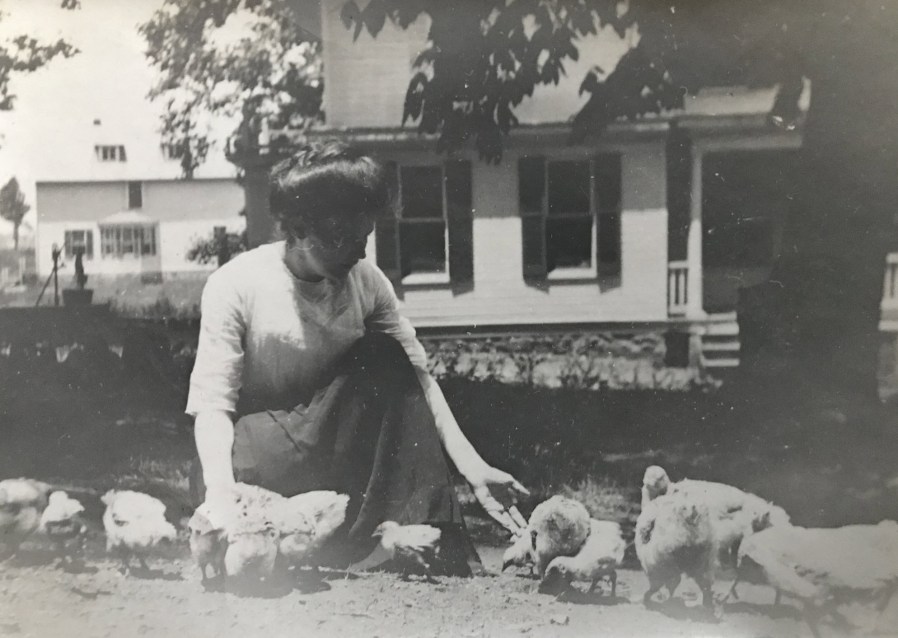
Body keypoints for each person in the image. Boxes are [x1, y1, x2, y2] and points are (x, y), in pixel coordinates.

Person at [185, 141, 527, 575]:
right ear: (298, 230)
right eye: (342, 238)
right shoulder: (234, 284)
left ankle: (416, 537)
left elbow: (415, 380)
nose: (360, 252)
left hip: (331, 450)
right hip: (259, 459)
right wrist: (220, 494)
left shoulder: (368, 282)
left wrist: (473, 468)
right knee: (244, 505)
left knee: (388, 354)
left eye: (364, 237)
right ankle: (273, 535)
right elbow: (213, 406)